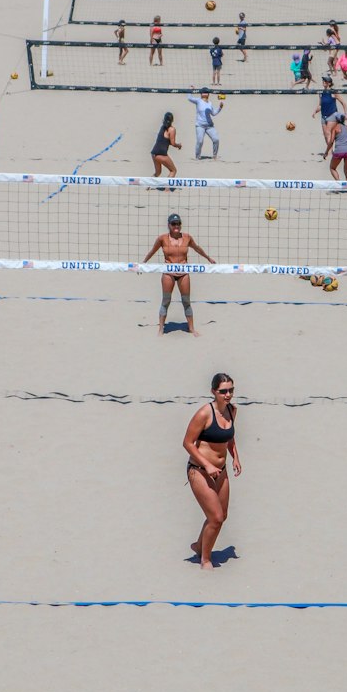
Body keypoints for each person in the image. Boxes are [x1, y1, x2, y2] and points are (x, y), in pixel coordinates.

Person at [183, 373, 241, 569]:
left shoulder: (232, 411)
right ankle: (205, 559)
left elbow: (229, 437)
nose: (228, 395)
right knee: (215, 517)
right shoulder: (204, 414)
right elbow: (188, 443)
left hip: (221, 470)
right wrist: (207, 465)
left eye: (230, 390)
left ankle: (200, 545)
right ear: (213, 392)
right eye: (223, 391)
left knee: (221, 515)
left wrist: (235, 458)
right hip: (200, 470)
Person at [143, 213, 214, 338]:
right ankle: (161, 329)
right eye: (174, 224)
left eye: (178, 223)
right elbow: (152, 251)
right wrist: (143, 264)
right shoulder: (162, 239)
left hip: (183, 273)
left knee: (186, 301)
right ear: (169, 225)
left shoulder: (187, 237)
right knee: (166, 300)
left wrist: (208, 258)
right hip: (168, 273)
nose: (176, 226)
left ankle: (192, 329)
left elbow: (197, 248)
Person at [314, 75, 347, 151]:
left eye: (325, 81)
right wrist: (315, 112)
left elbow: (343, 103)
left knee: (328, 132)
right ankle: (331, 150)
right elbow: (320, 105)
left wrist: (346, 114)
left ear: (329, 83)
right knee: (326, 135)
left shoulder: (333, 92)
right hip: (323, 116)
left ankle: (330, 152)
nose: (323, 82)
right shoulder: (321, 93)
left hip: (332, 114)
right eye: (323, 81)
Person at [188, 88, 221, 158]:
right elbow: (189, 98)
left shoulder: (210, 103)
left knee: (216, 139)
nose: (205, 93)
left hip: (209, 126)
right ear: (201, 94)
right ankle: (197, 157)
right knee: (200, 141)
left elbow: (213, 113)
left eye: (206, 92)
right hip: (200, 125)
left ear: (208, 94)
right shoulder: (198, 101)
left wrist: (220, 108)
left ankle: (215, 156)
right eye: (203, 92)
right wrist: (190, 90)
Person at [323, 111, 347, 181]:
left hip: (339, 150)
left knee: (332, 168)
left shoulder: (335, 128)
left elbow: (331, 142)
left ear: (336, 120)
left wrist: (326, 152)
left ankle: (339, 183)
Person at [151, 112, 181, 177]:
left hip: (153, 153)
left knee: (157, 173)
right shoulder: (172, 129)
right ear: (172, 120)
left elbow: (164, 140)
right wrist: (178, 145)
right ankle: (167, 187)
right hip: (161, 154)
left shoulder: (162, 127)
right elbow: (173, 143)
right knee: (173, 170)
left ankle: (147, 186)